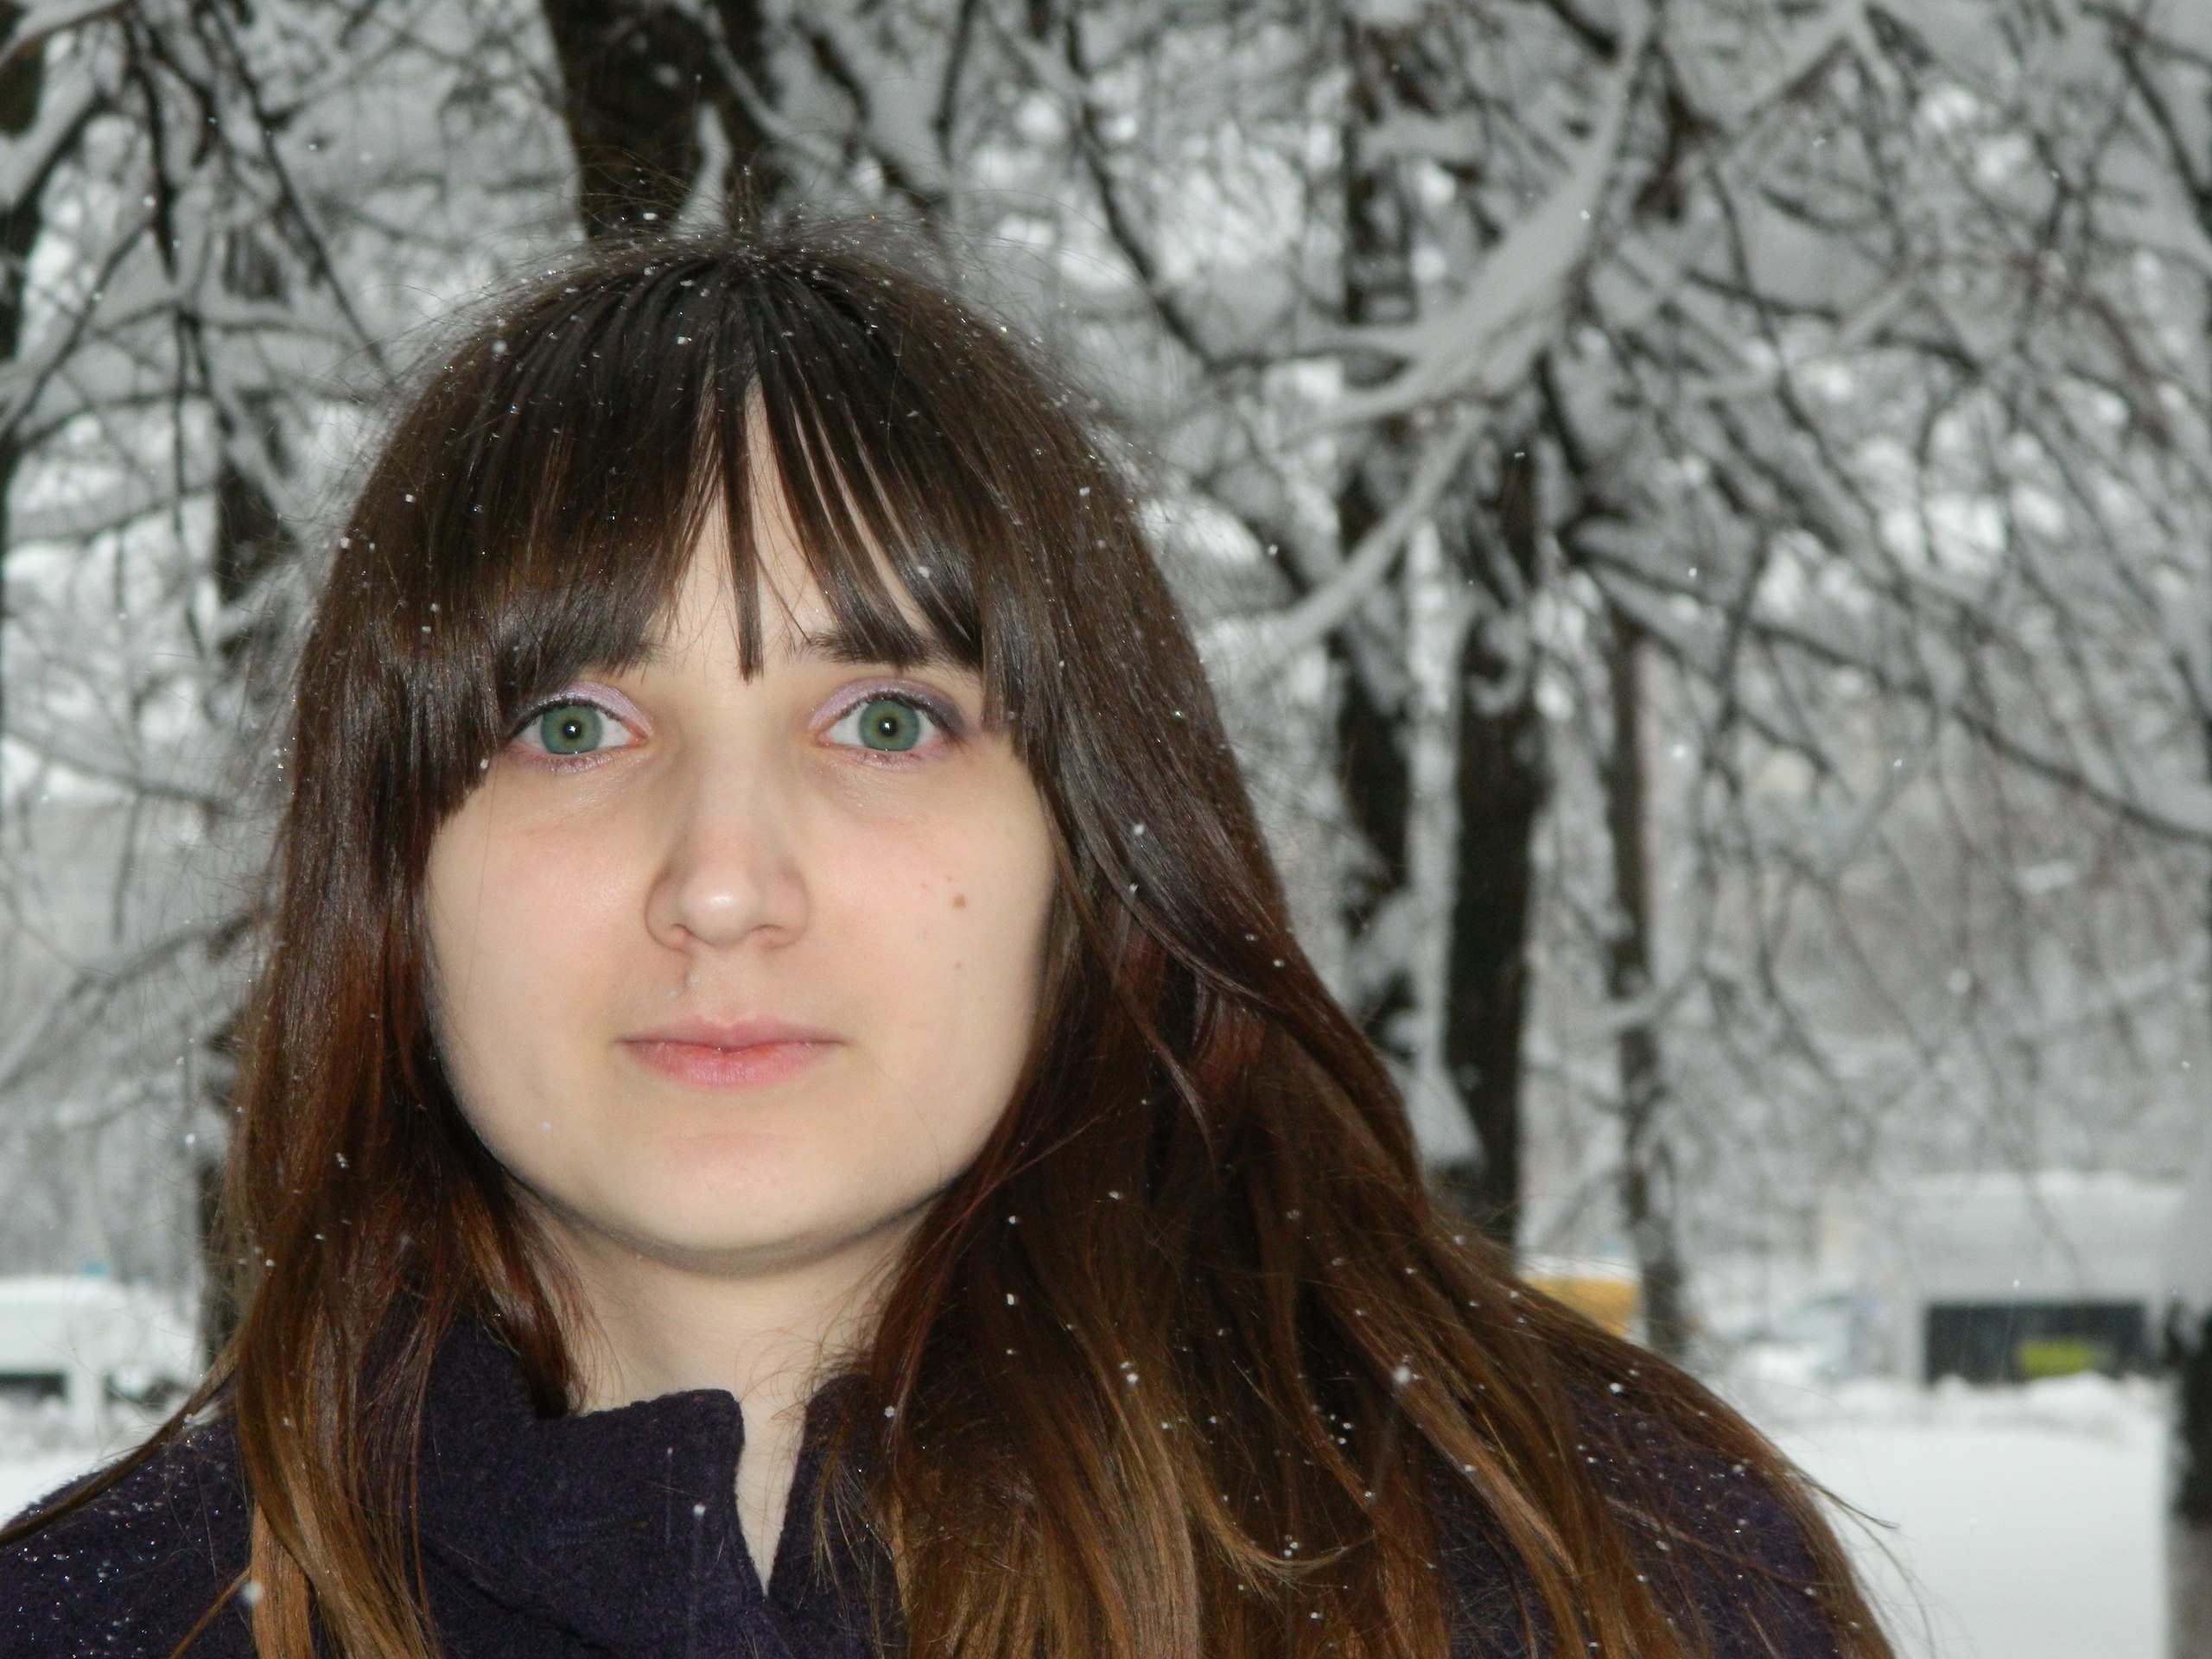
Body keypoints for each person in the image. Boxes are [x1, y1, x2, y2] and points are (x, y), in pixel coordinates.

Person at [0, 232, 1891, 1659]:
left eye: (885, 720)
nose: (722, 885)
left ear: (1092, 842)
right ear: (392, 873)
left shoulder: (1597, 1576)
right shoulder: (105, 1621)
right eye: (573, 725)